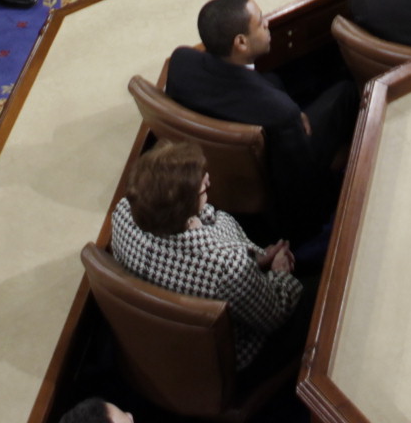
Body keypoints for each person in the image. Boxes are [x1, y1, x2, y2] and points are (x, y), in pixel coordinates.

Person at [164, 0, 356, 235]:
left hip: (220, 178)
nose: (267, 23)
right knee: (345, 92)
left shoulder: (181, 62)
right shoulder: (280, 113)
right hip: (280, 201)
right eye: (260, 21)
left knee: (276, 79)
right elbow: (301, 185)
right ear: (241, 43)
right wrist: (292, 113)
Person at [107, 140, 307, 364]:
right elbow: (274, 314)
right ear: (184, 209)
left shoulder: (124, 212)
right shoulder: (227, 267)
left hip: (166, 345)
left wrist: (254, 258)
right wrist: (279, 273)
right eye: (203, 186)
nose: (208, 179)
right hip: (228, 357)